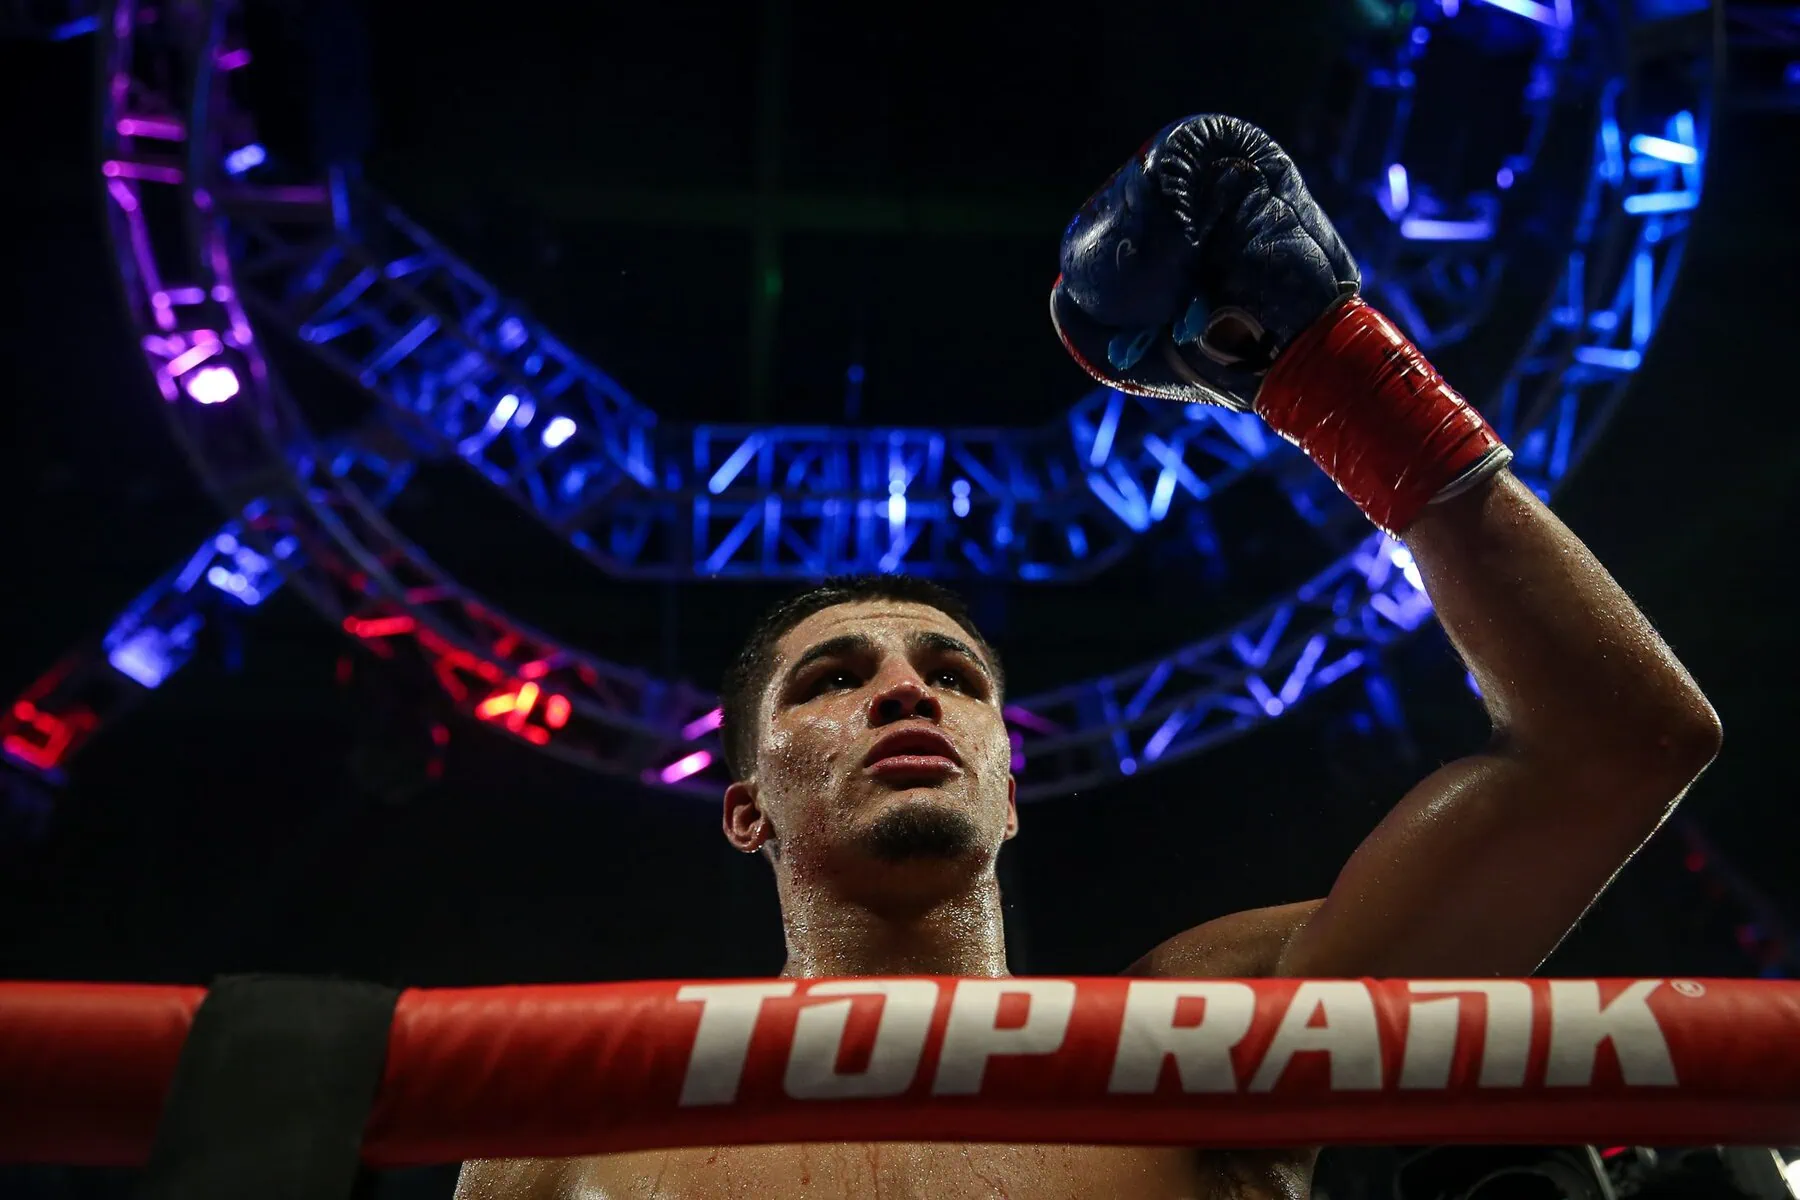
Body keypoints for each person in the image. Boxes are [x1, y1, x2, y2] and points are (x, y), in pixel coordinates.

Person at [455, 116, 1720, 1199]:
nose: (905, 687)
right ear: (743, 811)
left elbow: (1616, 748)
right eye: (831, 679)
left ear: (1010, 788)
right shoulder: (576, 1123)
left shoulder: (1202, 1053)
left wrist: (1341, 380)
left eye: (954, 678)